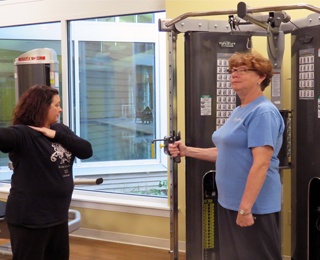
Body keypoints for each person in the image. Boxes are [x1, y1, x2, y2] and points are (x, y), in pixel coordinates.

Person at [169, 51, 285, 259]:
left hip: (253, 206)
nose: (234, 75)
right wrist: (187, 151)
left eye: (242, 70)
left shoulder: (263, 112)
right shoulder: (239, 110)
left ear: (261, 77)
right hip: (230, 201)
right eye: (232, 71)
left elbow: (261, 163)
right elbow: (226, 153)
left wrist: (245, 209)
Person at [0, 84, 93, 260]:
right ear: (42, 107)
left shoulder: (60, 130)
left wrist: (54, 135)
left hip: (57, 216)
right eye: (56, 105)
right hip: (30, 219)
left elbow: (86, 150)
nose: (60, 109)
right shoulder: (23, 134)